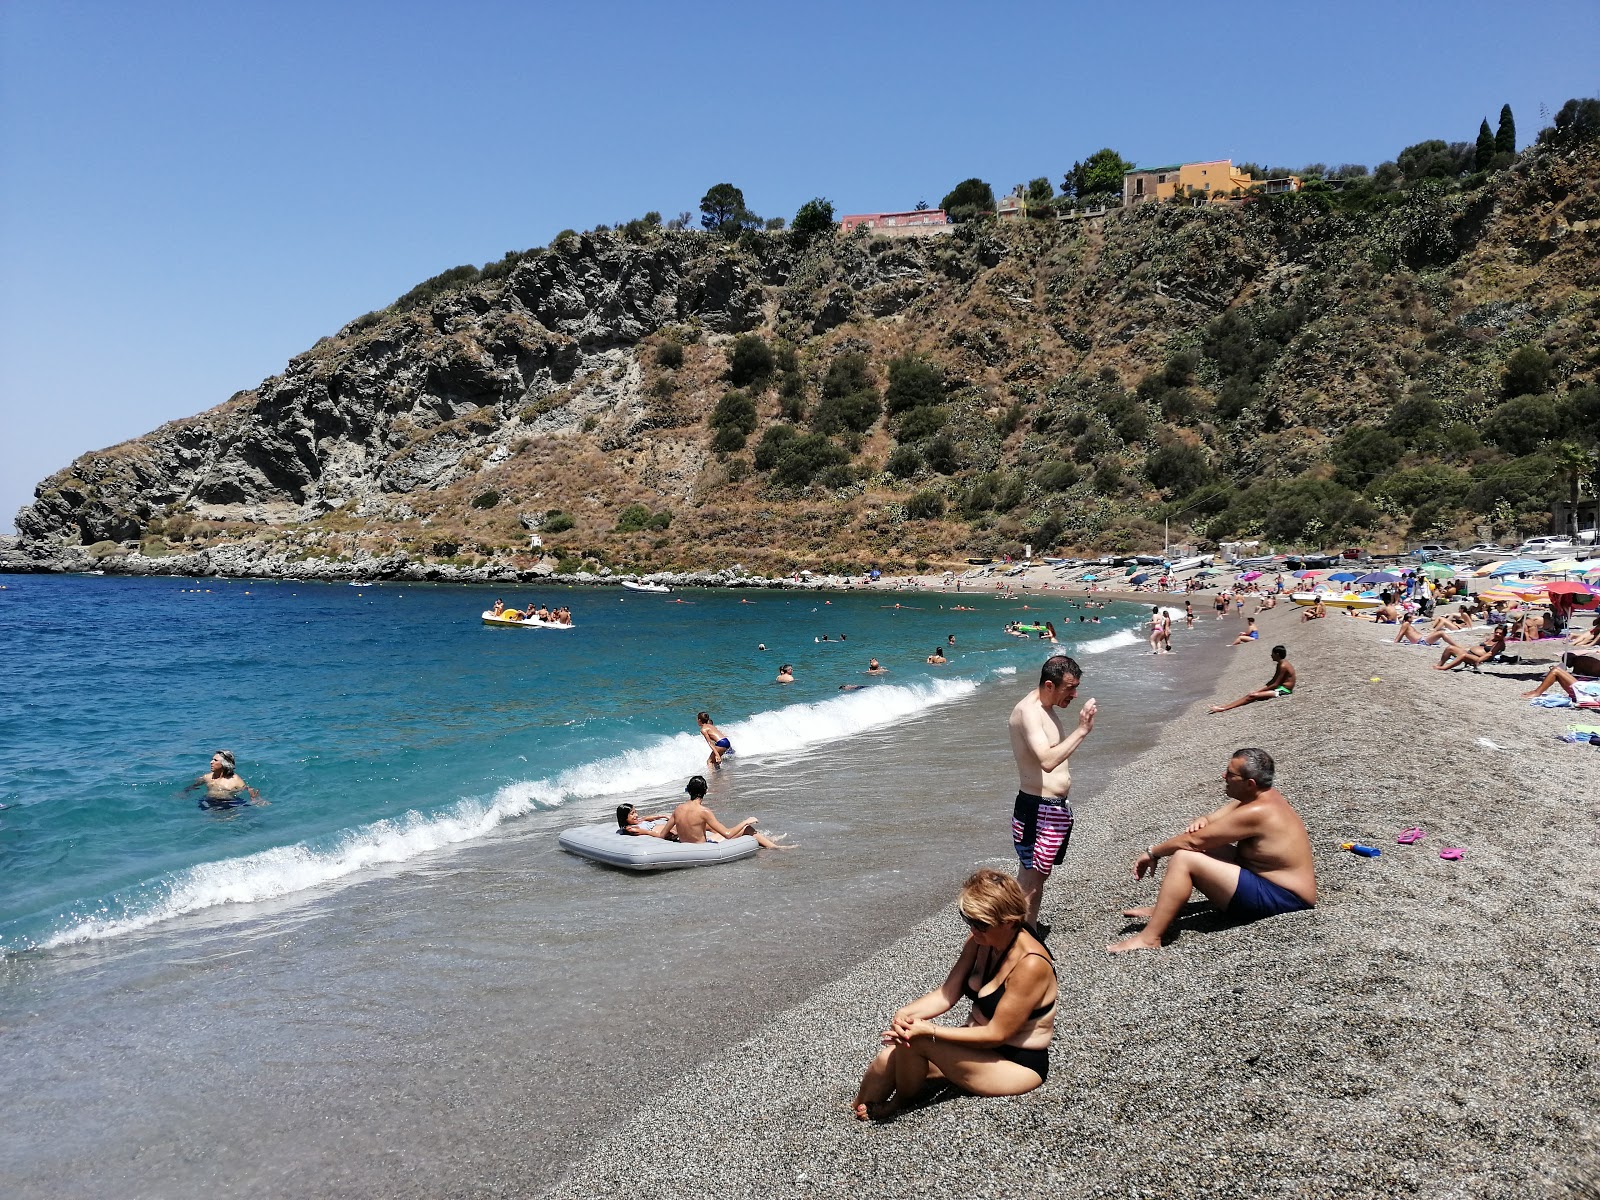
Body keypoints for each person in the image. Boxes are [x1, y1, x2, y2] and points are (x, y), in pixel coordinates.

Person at [852, 870, 1056, 1122]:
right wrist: (905, 1014)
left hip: (1014, 1063)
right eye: (968, 919)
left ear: (1010, 920)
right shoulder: (980, 941)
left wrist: (929, 1030)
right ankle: (856, 1111)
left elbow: (997, 1033)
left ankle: (900, 1104)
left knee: (916, 1041)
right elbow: (947, 993)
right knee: (887, 1058)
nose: (973, 929)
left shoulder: (1030, 964)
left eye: (981, 923)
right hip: (974, 1047)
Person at [1108, 748, 1315, 953]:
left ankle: (1150, 937)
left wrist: (1152, 853)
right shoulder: (1259, 797)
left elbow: (1192, 842)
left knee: (1184, 857)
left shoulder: (1258, 811)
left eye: (1230, 774)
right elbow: (1209, 824)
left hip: (1284, 898)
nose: (1223, 776)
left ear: (1250, 784)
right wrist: (1203, 820)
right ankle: (1164, 909)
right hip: (1265, 879)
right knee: (1200, 849)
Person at [1007, 654, 1096, 928]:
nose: (1075, 694)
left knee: (1037, 876)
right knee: (1031, 880)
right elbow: (1047, 761)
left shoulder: (1046, 707)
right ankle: (1008, 938)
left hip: (1052, 809)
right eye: (1069, 688)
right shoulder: (1029, 712)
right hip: (1038, 809)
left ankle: (1027, 932)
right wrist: (1082, 731)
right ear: (1049, 685)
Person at [668, 775, 794, 849]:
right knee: (747, 829)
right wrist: (745, 821)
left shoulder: (678, 809)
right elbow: (728, 834)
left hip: (686, 846)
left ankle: (769, 838)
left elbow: (662, 835)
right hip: (703, 849)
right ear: (705, 791)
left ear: (689, 791)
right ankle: (775, 847)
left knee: (716, 831)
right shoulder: (704, 811)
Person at [1208, 645, 1295, 714]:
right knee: (1253, 694)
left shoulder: (1283, 666)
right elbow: (1273, 681)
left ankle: (1223, 708)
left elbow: (1275, 684)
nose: (1271, 655)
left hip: (1284, 691)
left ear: (1277, 655)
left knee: (1251, 696)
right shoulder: (1281, 664)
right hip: (1280, 688)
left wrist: (1257, 692)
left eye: (1272, 653)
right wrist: (1259, 690)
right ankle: (1224, 706)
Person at [183, 750, 267, 807]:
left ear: (224, 764)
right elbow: (193, 786)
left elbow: (248, 789)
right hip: (208, 800)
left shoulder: (235, 780)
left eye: (215, 760)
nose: (211, 762)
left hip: (228, 803)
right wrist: (185, 792)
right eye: (212, 759)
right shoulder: (207, 777)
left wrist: (257, 799)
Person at [1434, 624, 1507, 671]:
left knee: (1463, 656)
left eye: (1500, 633)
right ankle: (1440, 664)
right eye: (1496, 632)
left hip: (1478, 658)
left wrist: (1479, 660)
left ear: (1503, 635)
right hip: (1470, 653)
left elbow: (1490, 654)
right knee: (1450, 648)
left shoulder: (1500, 643)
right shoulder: (1492, 638)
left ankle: (1445, 668)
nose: (1497, 634)